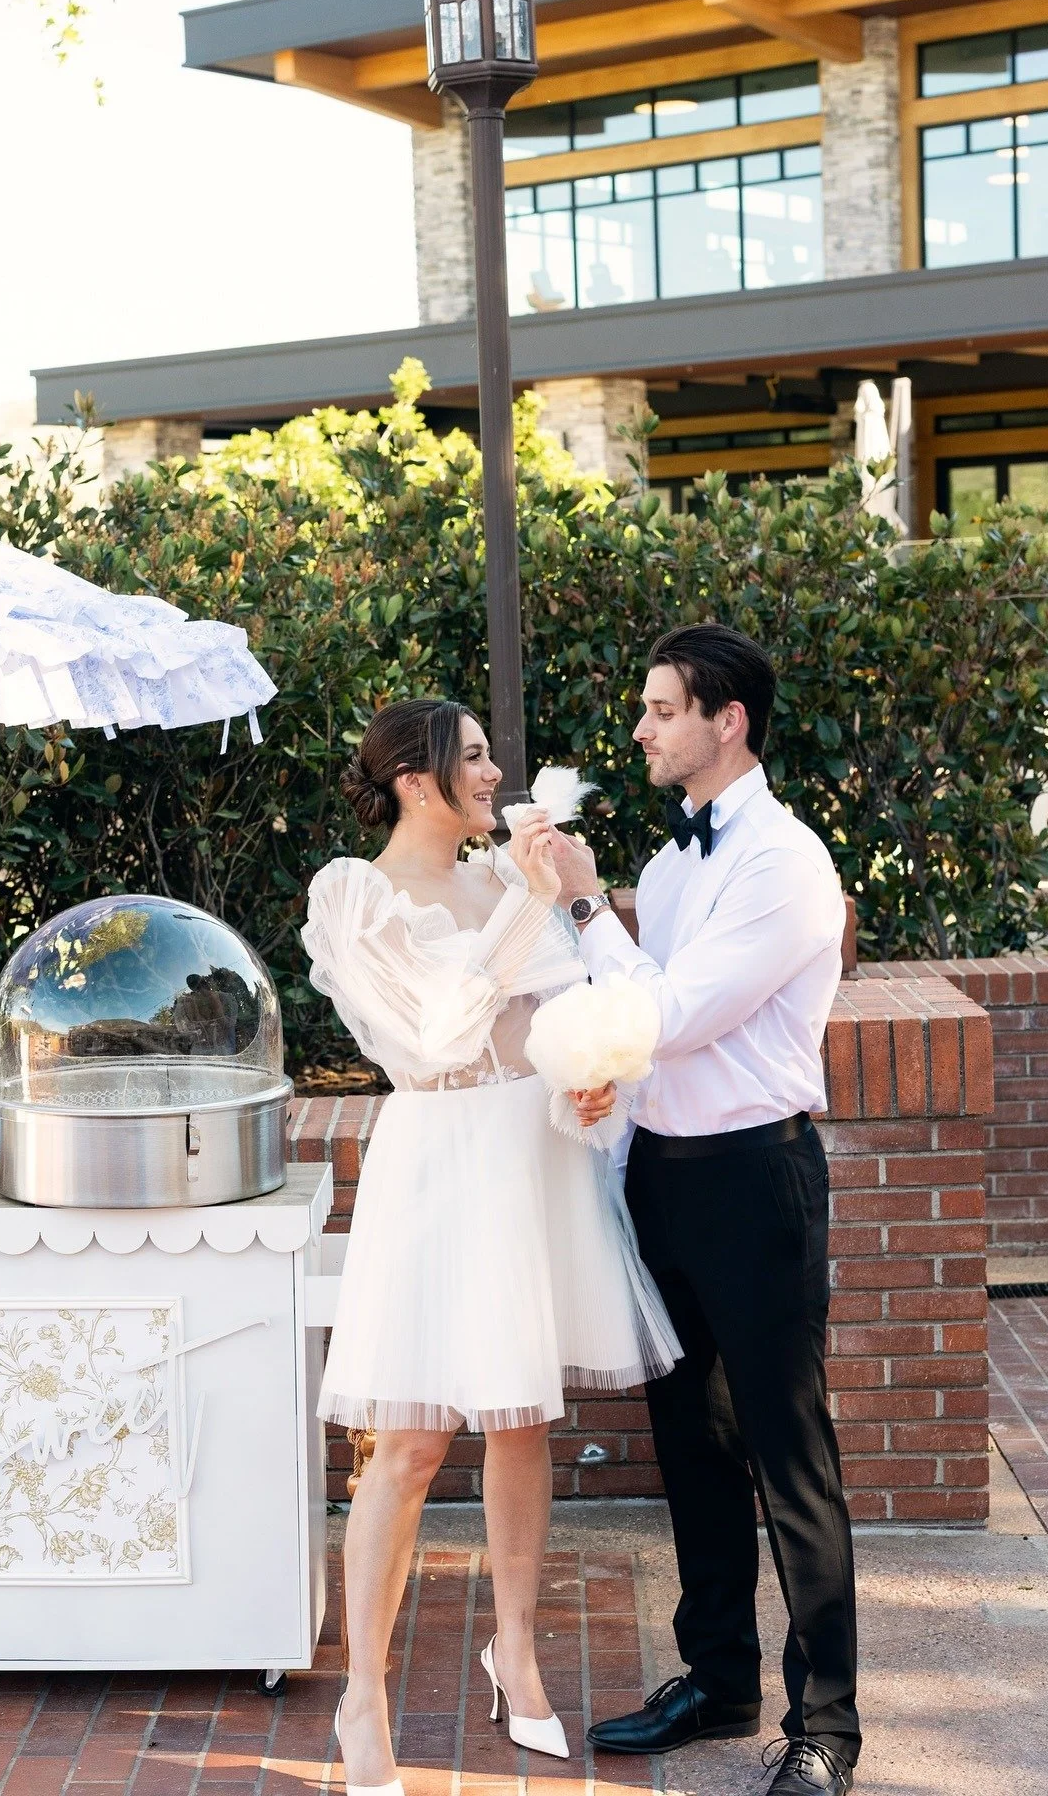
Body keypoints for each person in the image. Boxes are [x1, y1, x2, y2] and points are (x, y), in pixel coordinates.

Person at [301, 697, 680, 1796]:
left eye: (487, 752)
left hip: (530, 1160)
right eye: (470, 757)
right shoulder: (354, 892)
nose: (493, 771)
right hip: (439, 1168)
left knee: (520, 1421)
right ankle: (362, 1696)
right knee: (411, 1444)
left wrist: (586, 1080)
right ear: (415, 780)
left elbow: (548, 1026)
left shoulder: (503, 883)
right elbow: (434, 1035)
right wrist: (529, 897)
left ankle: (513, 1648)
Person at [551, 623, 858, 1796]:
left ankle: (825, 1726)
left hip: (754, 1178)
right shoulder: (677, 869)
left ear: (726, 720)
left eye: (662, 707)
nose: (642, 728)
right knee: (690, 1445)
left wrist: (586, 911)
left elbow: (669, 1013)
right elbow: (643, 1047)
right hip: (666, 1174)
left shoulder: (784, 863)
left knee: (791, 1458)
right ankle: (719, 1674)